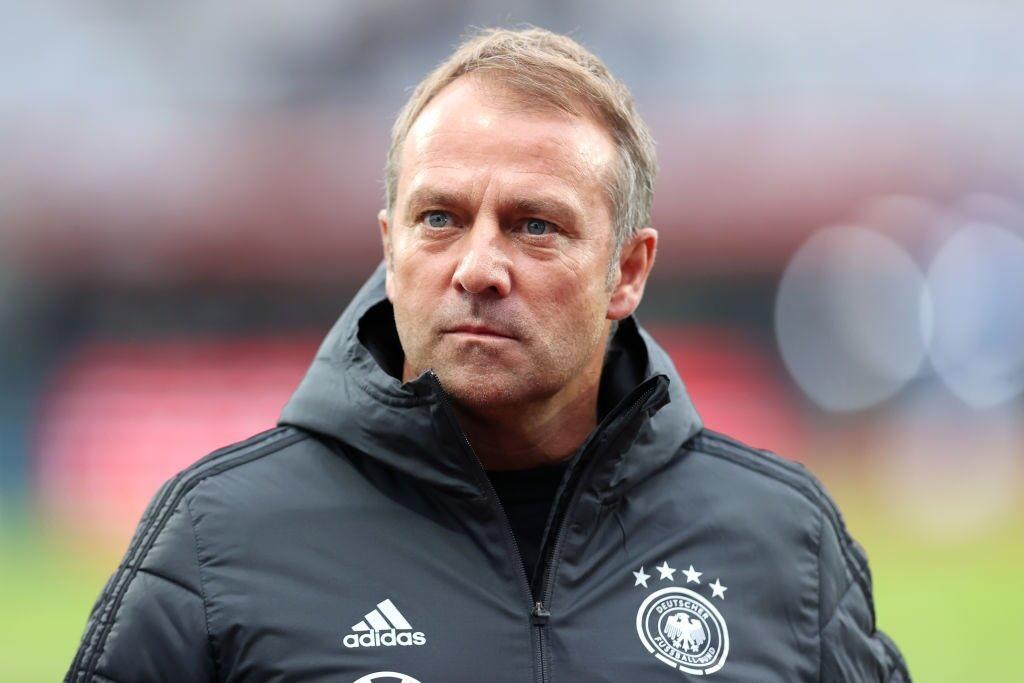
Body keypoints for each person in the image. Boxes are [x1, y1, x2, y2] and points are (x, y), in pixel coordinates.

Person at [66, 27, 909, 682]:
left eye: (534, 225)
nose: (478, 267)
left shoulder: (782, 544)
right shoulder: (219, 540)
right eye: (439, 219)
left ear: (627, 271)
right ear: (389, 247)